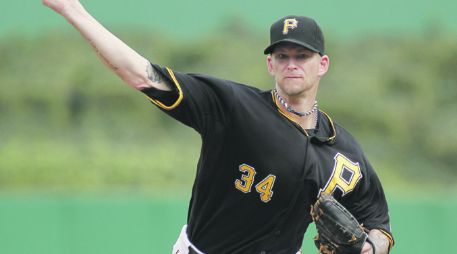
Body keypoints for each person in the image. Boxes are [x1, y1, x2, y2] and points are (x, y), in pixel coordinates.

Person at [43, 1, 394, 253]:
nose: (292, 64)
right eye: (282, 56)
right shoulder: (234, 107)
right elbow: (140, 74)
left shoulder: (343, 153)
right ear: (270, 64)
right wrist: (73, 10)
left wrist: (371, 248)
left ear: (323, 64)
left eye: (302, 56)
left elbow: (379, 224)